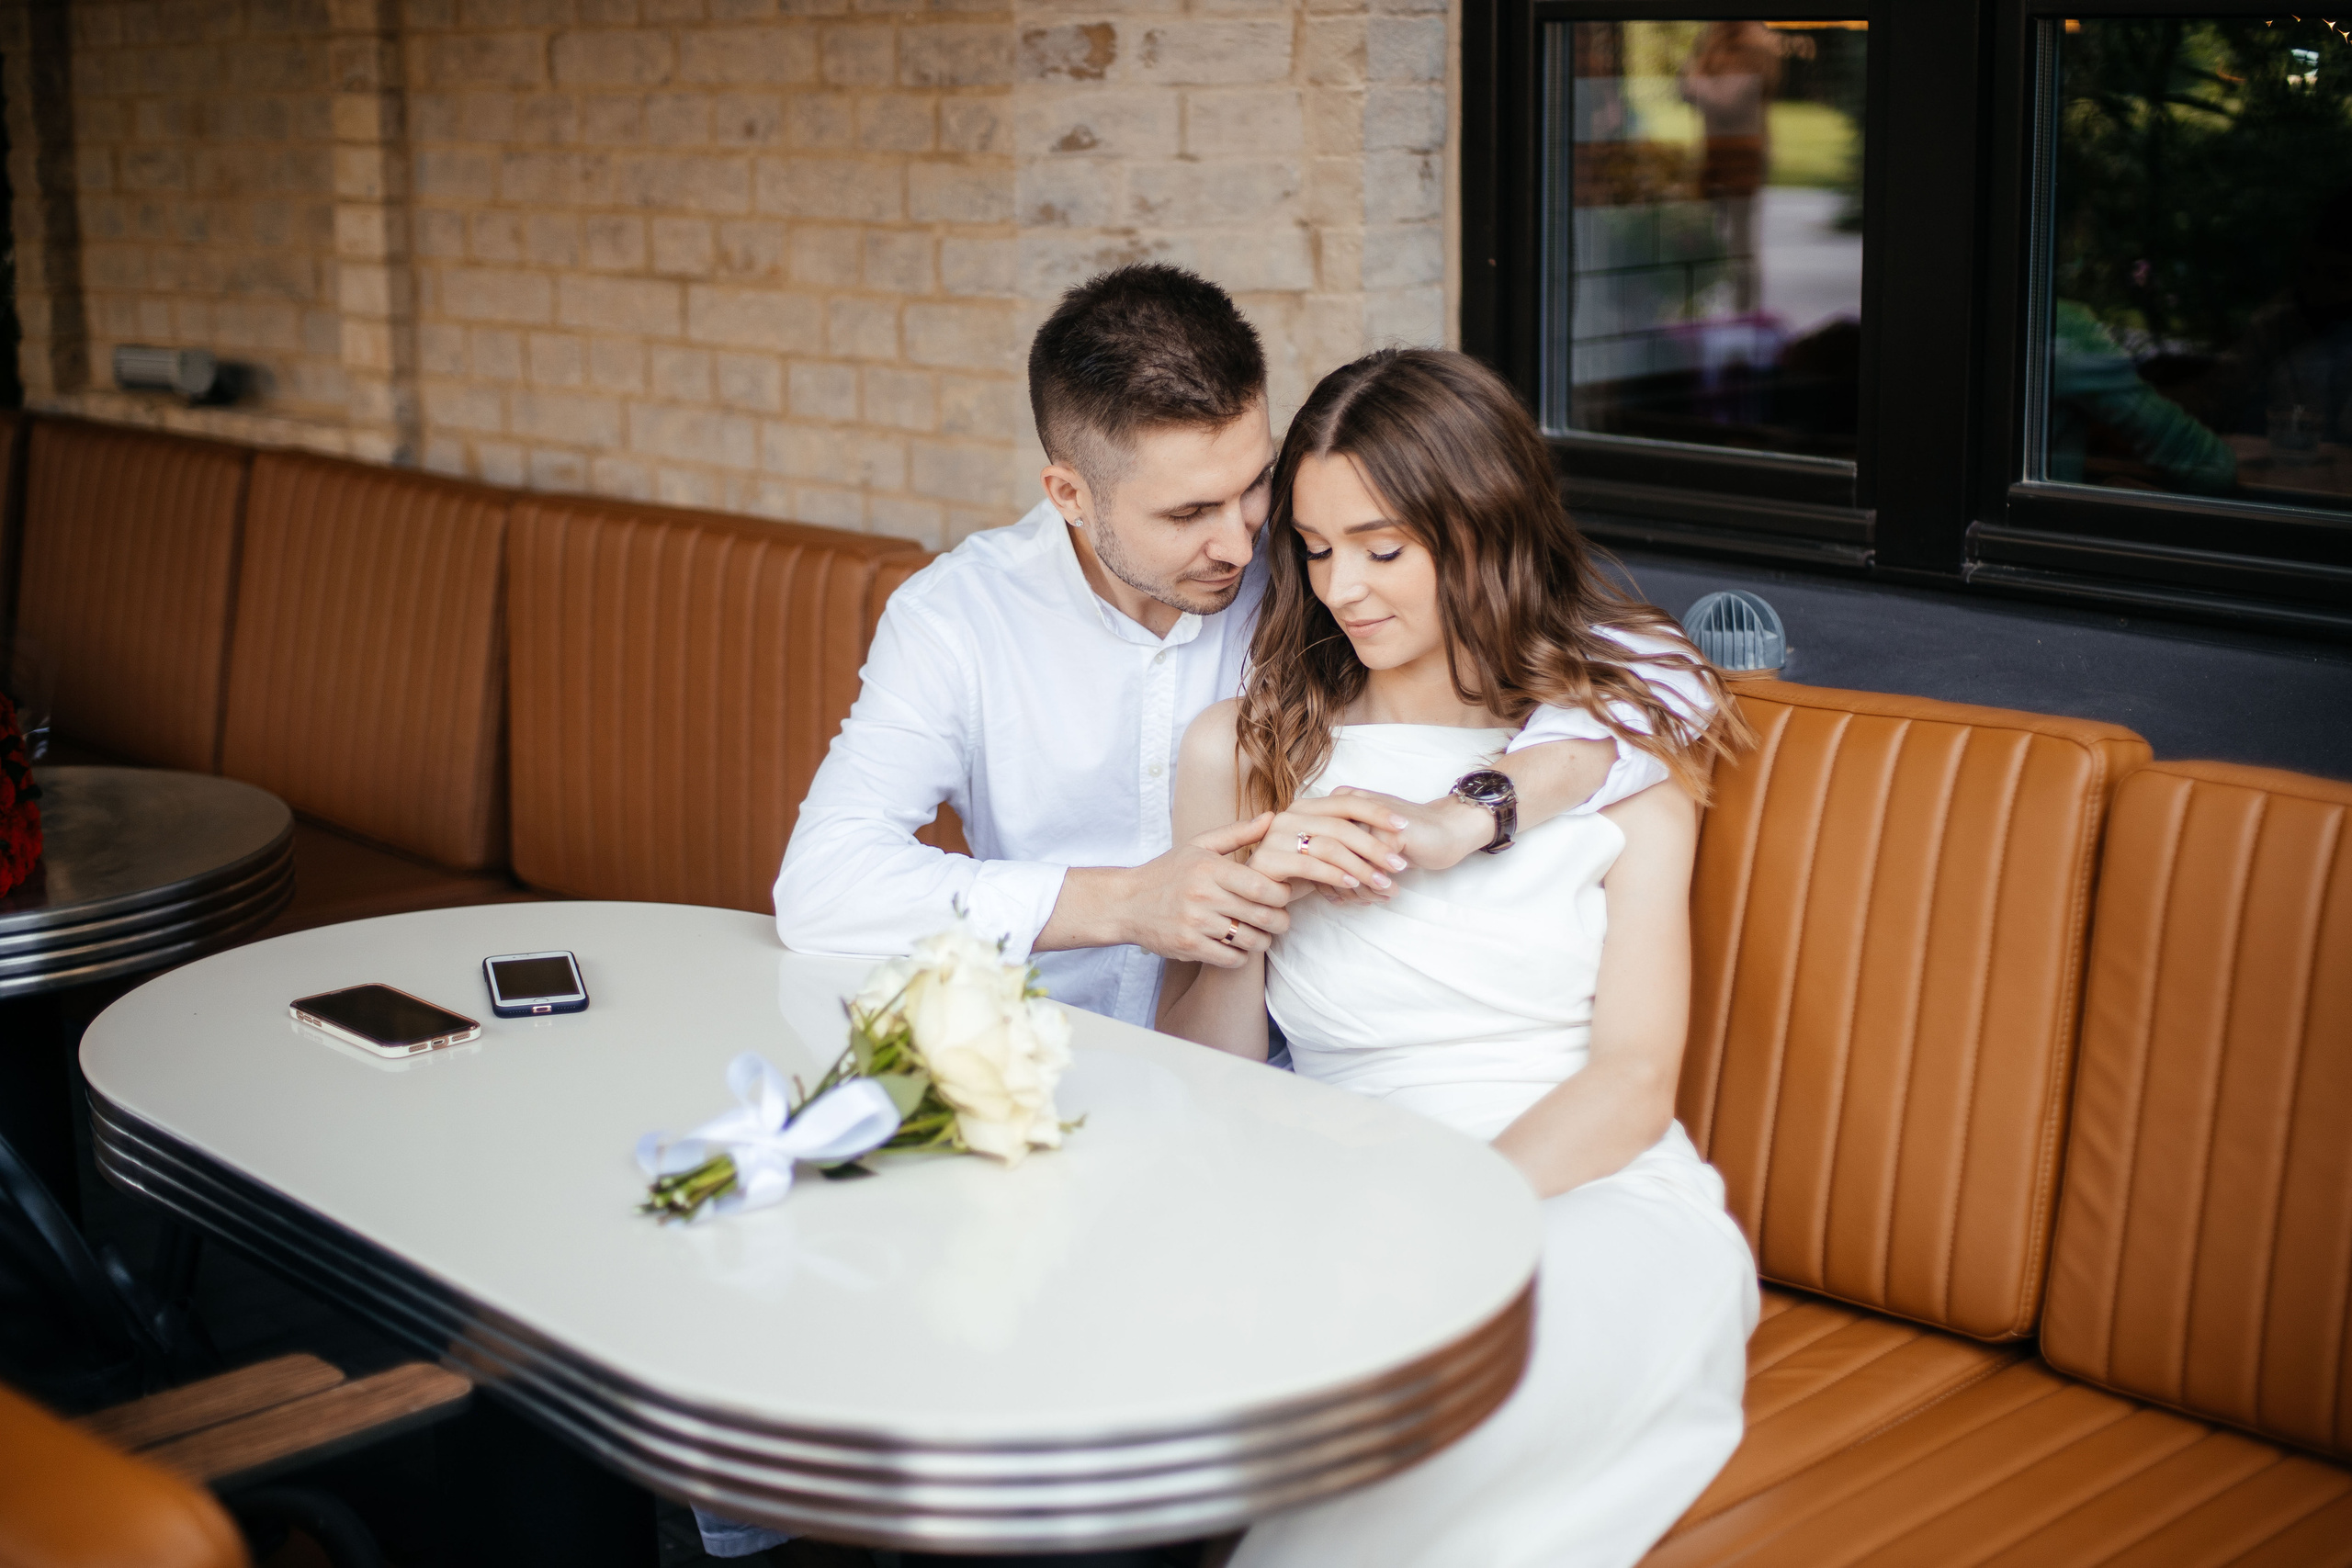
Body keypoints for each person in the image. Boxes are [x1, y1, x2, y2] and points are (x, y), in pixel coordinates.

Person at [1159, 348, 1760, 1568]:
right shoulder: (1245, 748)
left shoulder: (1624, 751)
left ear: (1478, 528)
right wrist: (1256, 899)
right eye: (1317, 549)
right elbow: (1199, 1074)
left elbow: (1634, 1080)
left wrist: (1448, 1219)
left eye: (1383, 548)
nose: (1343, 589)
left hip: (1587, 1198)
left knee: (1439, 1411)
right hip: (1343, 1188)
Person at [775, 265, 1683, 1028]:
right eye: (1187, 514)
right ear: (1069, 494)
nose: (1243, 545)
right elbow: (824, 884)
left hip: (1285, 1078)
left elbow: (1657, 676)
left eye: (1251, 486)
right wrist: (1125, 903)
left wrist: (1481, 807)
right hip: (1052, 1061)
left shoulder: (1318, 556)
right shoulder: (957, 619)